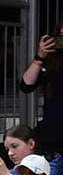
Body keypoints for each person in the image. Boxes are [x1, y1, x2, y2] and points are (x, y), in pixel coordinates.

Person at [21, 27, 63, 156]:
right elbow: (26, 85)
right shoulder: (53, 60)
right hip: (54, 135)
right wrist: (40, 56)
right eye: (61, 35)